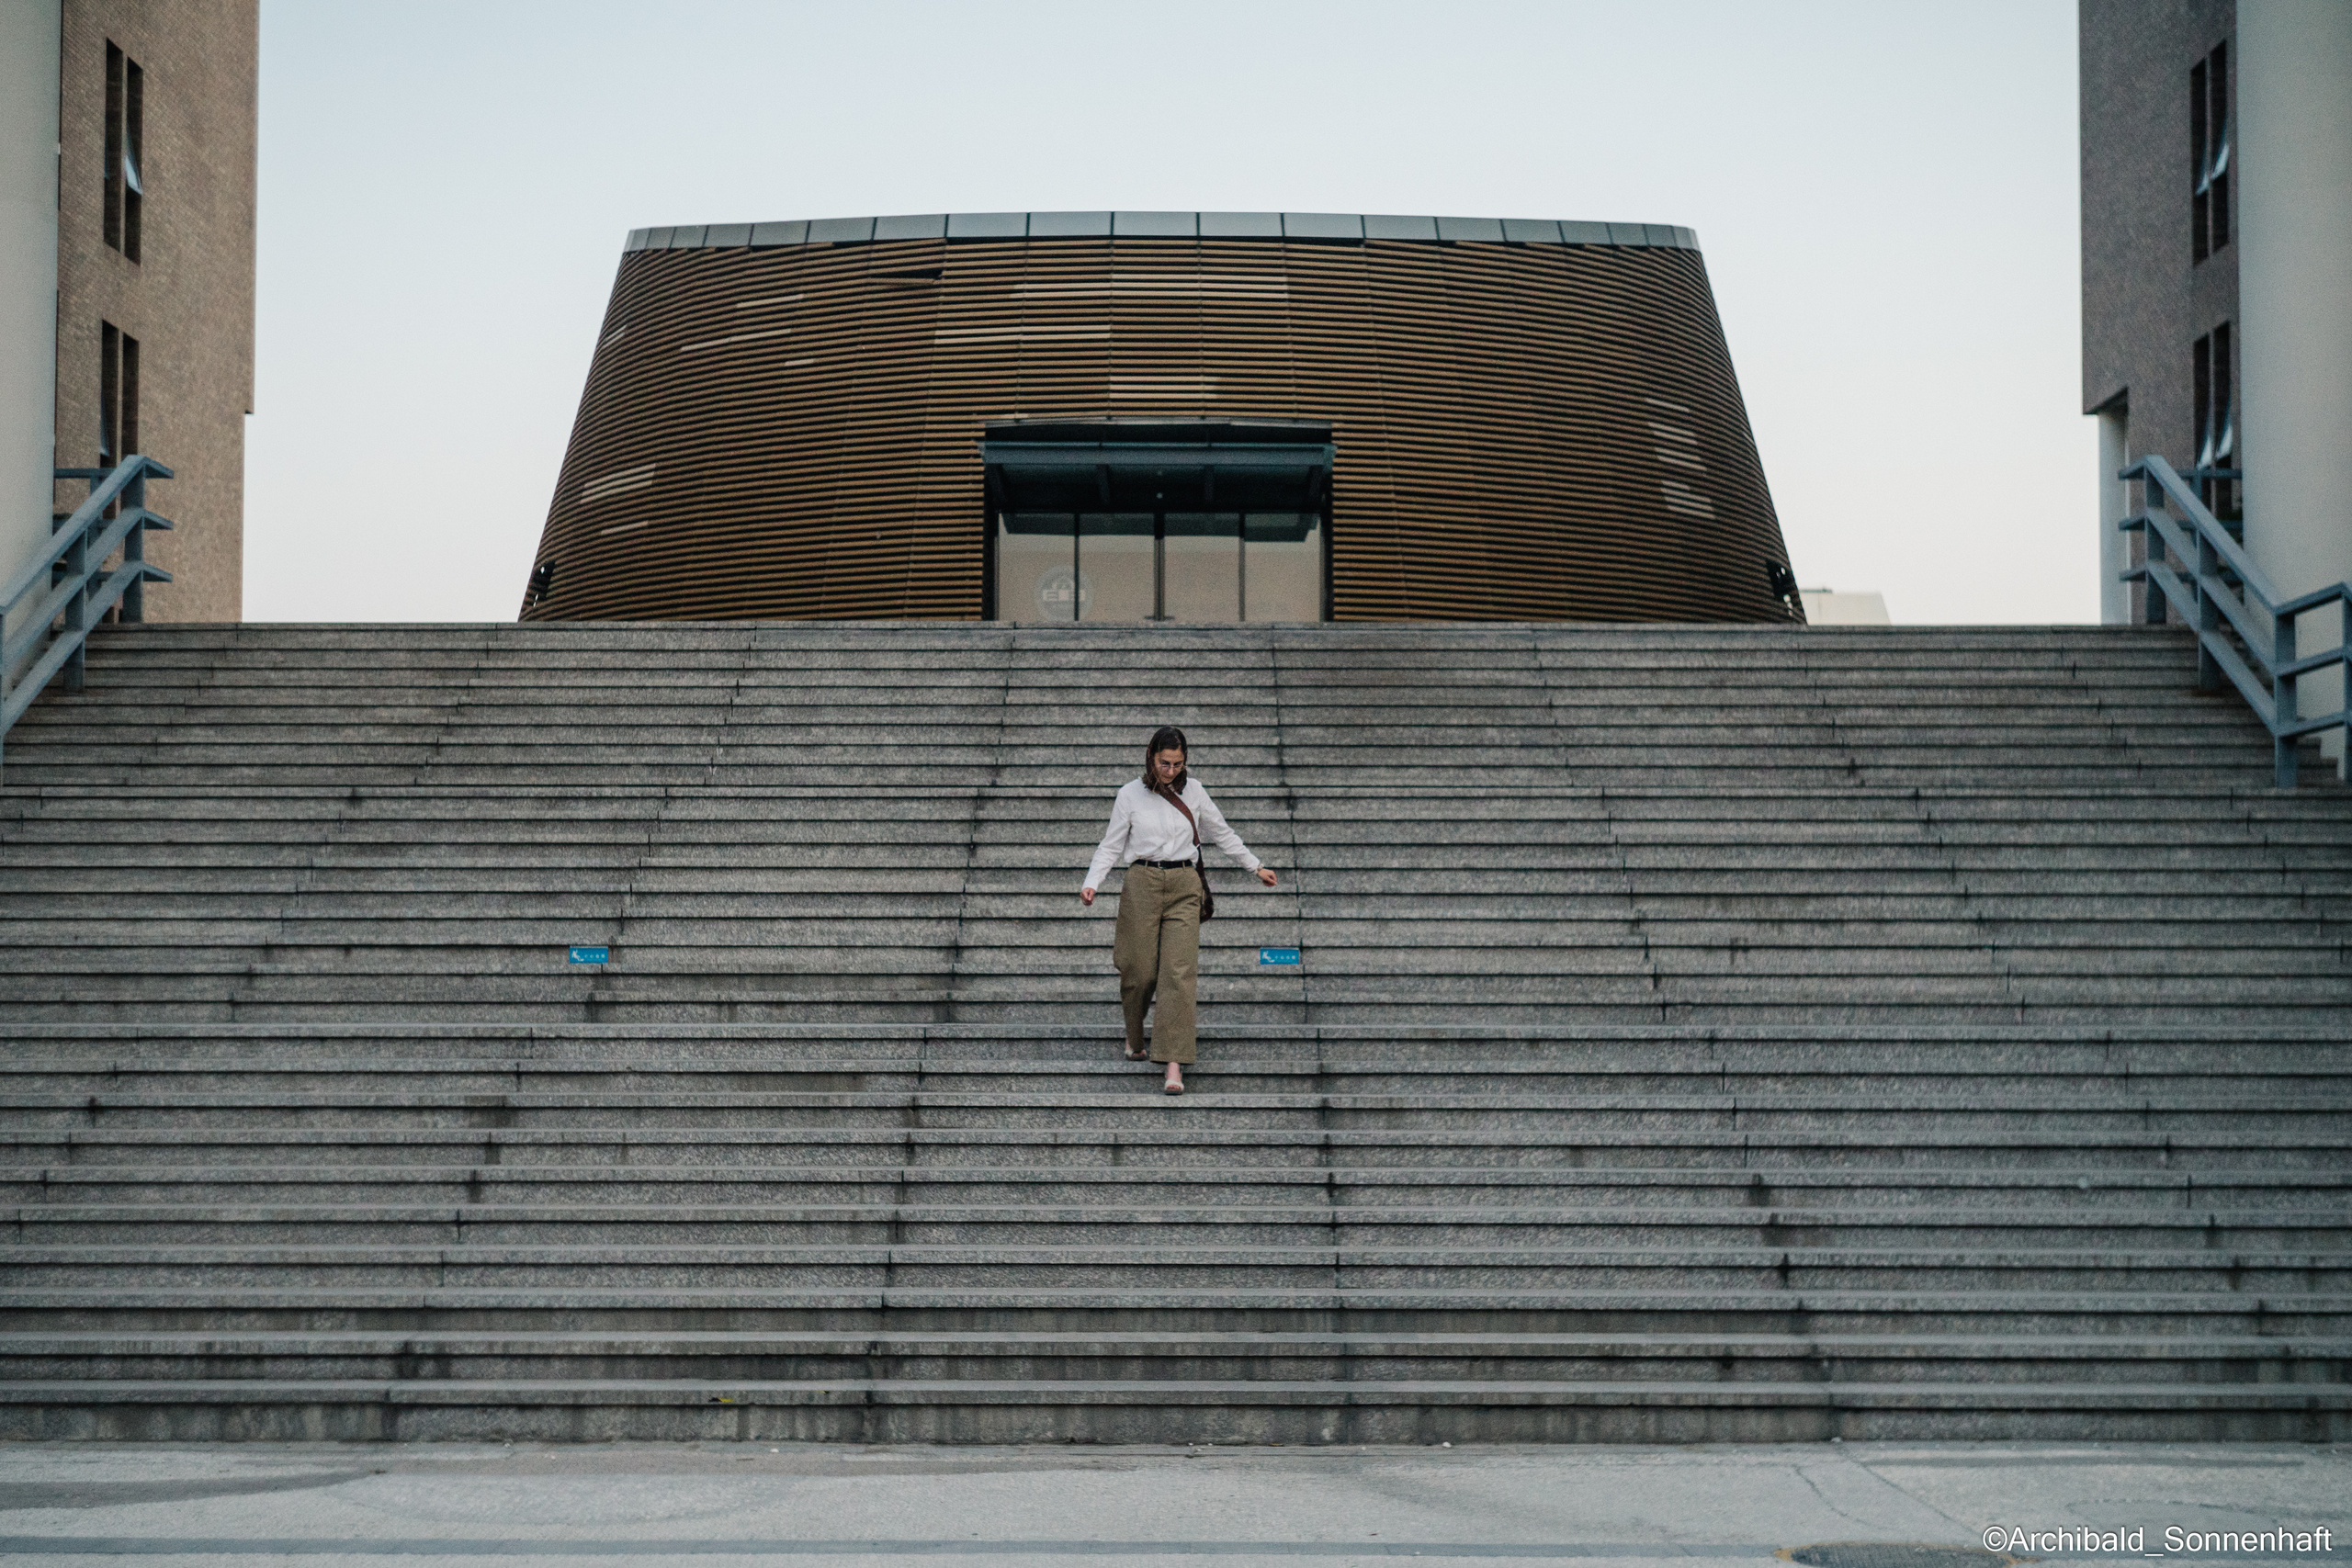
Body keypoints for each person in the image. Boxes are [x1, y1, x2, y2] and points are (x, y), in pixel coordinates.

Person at [1081, 726, 1277, 1094]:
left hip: (1185, 885)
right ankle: (1135, 1034)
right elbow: (1110, 845)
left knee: (1178, 972)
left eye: (1177, 764)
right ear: (1150, 757)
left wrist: (1255, 866)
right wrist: (1092, 882)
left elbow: (1222, 832)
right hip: (1142, 881)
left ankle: (1173, 1063)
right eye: (1163, 763)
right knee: (1138, 968)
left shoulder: (1196, 791)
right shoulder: (1130, 795)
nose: (1170, 770)